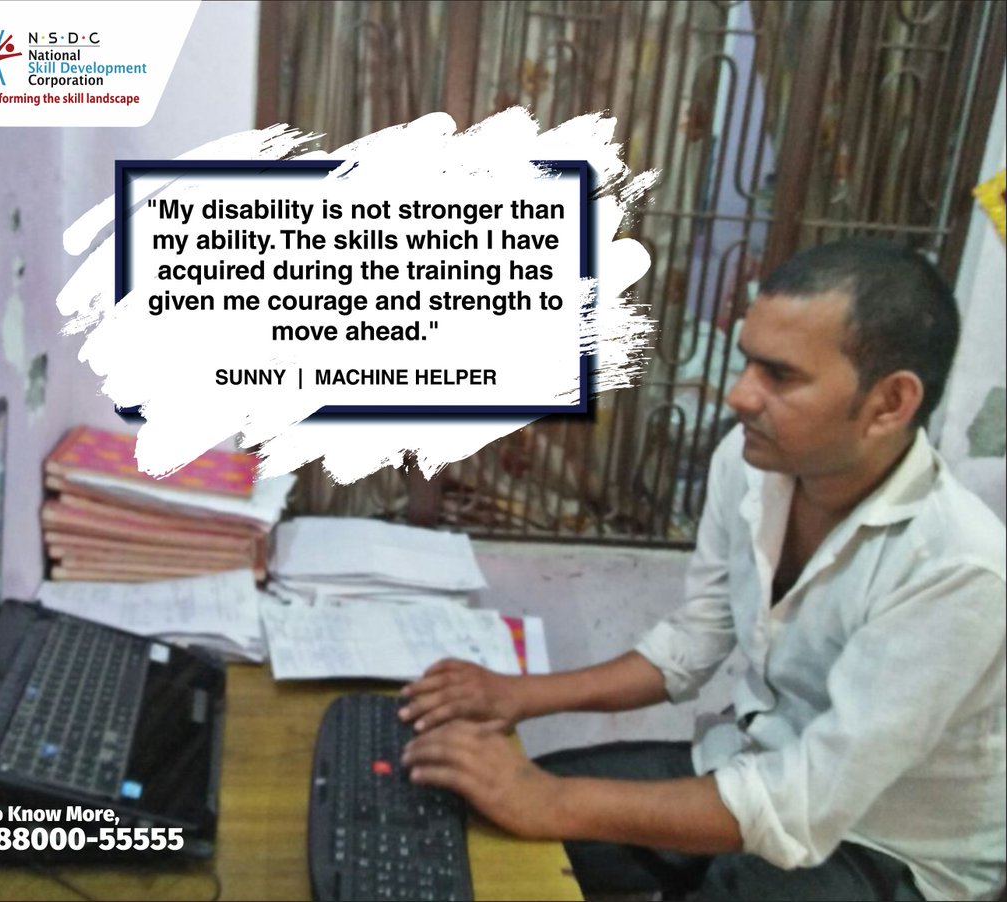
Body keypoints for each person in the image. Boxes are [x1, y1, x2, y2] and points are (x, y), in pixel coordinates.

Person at [398, 239, 1006, 901]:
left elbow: (804, 805)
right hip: (749, 764)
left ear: (889, 403)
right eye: (747, 361)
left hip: (884, 848)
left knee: (544, 807)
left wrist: (550, 800)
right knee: (472, 818)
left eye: (780, 376)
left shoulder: (958, 567)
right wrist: (519, 695)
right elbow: (694, 642)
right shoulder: (748, 464)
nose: (740, 395)